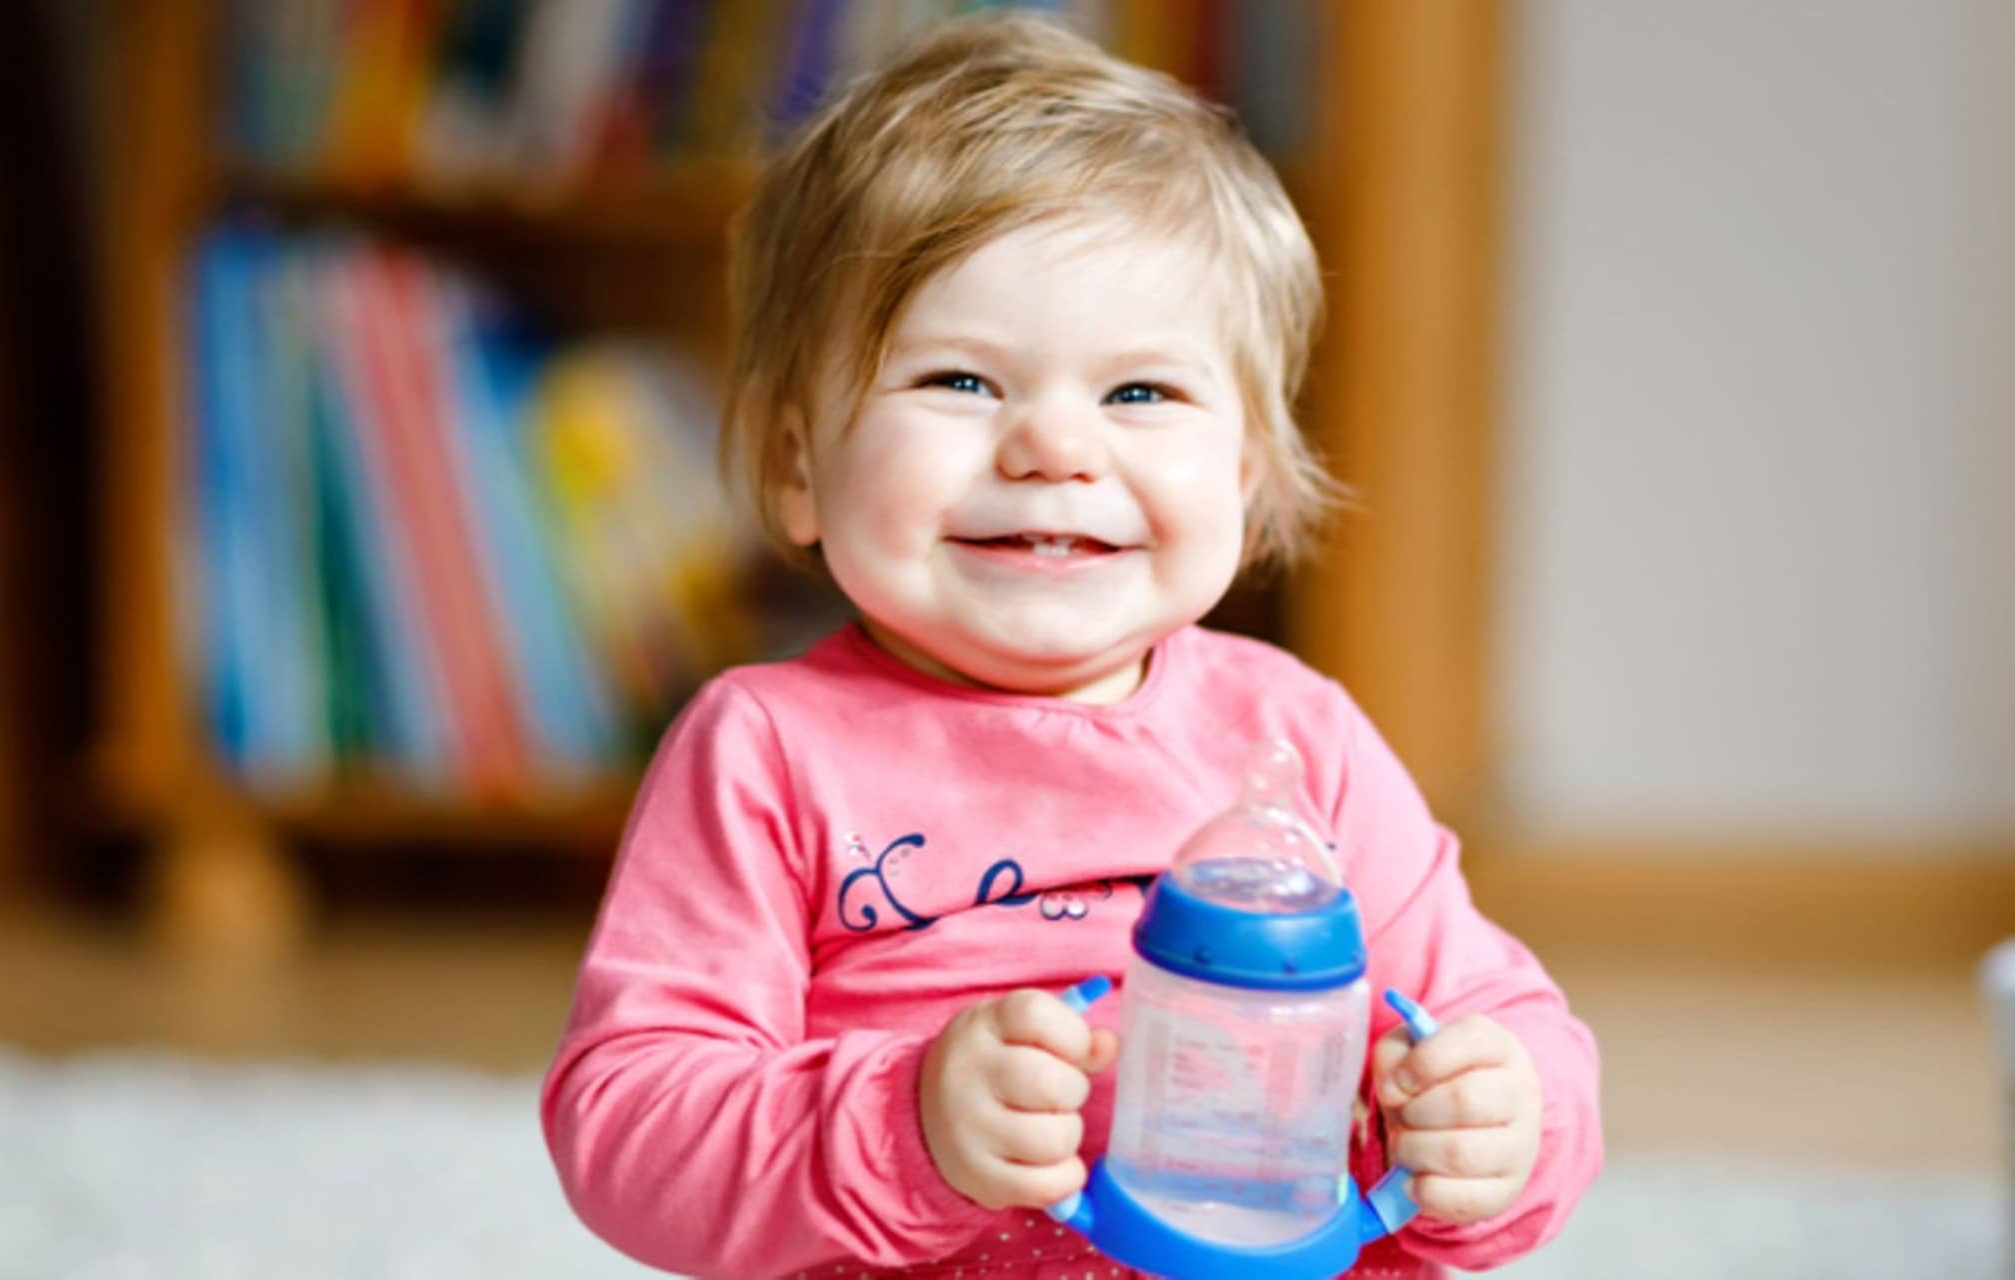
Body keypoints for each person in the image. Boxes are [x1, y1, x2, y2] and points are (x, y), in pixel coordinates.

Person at [541, 14, 1601, 1279]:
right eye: (960, 382)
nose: (1055, 446)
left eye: (1139, 393)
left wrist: (1502, 1123)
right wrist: (905, 1124)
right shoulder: (764, 751)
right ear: (796, 465)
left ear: (1247, 480)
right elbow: (627, 1122)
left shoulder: (1295, 738)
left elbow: (1499, 1020)